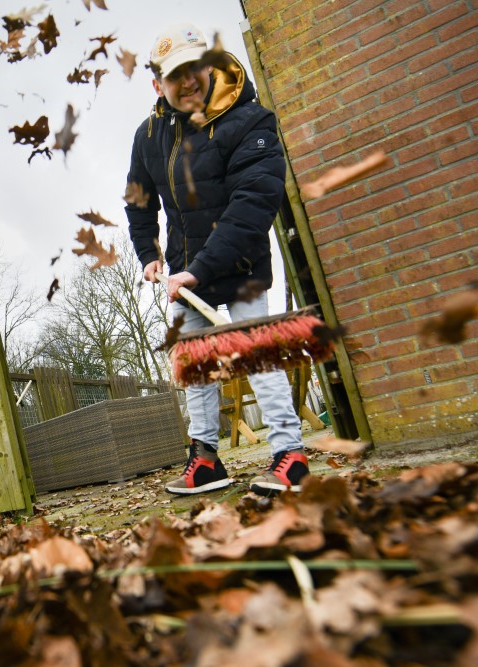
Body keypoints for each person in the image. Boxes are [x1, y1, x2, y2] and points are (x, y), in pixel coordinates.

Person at [124, 23, 308, 496]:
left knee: (257, 355)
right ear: (157, 85)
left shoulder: (250, 120)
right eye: (174, 75)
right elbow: (138, 199)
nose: (187, 81)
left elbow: (253, 203)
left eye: (193, 68)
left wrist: (201, 267)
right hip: (186, 273)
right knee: (195, 365)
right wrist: (148, 252)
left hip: (239, 263)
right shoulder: (148, 135)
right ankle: (205, 461)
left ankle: (290, 455)